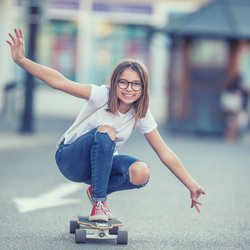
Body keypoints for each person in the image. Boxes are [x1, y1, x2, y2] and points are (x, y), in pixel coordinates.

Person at [7, 29, 205, 222]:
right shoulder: (102, 95)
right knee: (107, 130)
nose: (129, 89)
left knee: (141, 171)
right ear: (115, 83)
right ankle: (99, 203)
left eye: (136, 84)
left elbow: (165, 153)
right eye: (124, 82)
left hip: (99, 166)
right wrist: (21, 60)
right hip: (69, 158)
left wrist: (191, 184)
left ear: (143, 88)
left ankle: (96, 191)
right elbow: (60, 82)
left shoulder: (141, 113)